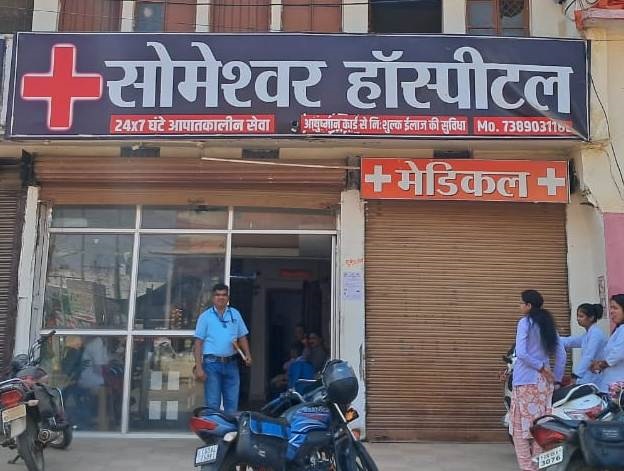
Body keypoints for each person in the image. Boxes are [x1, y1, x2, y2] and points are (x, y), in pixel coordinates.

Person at [510, 290, 566, 471]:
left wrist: (539, 367)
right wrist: (556, 379)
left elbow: (521, 353)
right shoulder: (547, 324)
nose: (519, 306)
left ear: (529, 305)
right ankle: (538, 466)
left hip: (525, 381)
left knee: (519, 429)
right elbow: (562, 354)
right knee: (540, 427)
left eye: (521, 303)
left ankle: (528, 468)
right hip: (544, 384)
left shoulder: (525, 322)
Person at [194, 283, 252, 414]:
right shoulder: (205, 317)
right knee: (213, 404)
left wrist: (248, 355)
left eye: (224, 295)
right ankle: (214, 428)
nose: (221, 297)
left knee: (232, 404)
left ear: (228, 297)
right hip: (212, 364)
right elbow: (198, 343)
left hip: (231, 364)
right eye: (218, 295)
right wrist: (199, 367)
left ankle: (229, 428)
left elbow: (242, 337)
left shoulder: (235, 314)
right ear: (213, 298)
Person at [560, 303, 607, 386]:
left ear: (591, 318)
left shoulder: (596, 334)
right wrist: (552, 339)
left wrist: (576, 375)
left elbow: (588, 355)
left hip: (595, 377)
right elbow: (571, 341)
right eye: (577, 316)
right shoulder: (588, 334)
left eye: (581, 316)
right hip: (589, 376)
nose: (578, 319)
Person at [591, 294, 624, 394]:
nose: (611, 311)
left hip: (617, 386)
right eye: (611, 308)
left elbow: (617, 354)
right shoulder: (619, 329)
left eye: (615, 308)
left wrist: (600, 365)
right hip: (610, 383)